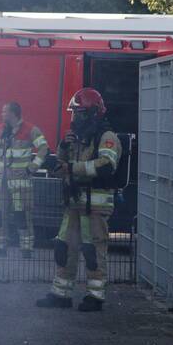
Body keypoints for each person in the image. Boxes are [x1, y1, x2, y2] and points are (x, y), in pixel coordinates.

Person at [37, 88, 122, 312]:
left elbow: (106, 166)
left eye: (80, 113)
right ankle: (61, 294)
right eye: (74, 113)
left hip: (95, 204)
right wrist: (62, 149)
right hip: (74, 203)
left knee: (93, 249)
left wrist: (73, 168)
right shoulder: (75, 138)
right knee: (63, 246)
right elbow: (62, 165)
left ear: (93, 112)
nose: (75, 118)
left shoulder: (107, 137)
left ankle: (95, 296)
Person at [0, 102, 48, 258]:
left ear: (13, 114)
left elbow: (43, 148)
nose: (2, 114)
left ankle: (26, 249)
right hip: (0, 181)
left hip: (21, 183)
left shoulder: (30, 129)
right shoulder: (0, 129)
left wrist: (31, 168)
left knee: (23, 215)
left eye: (4, 111)